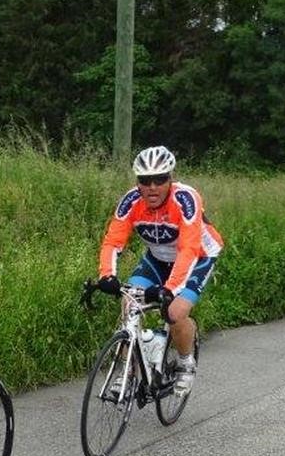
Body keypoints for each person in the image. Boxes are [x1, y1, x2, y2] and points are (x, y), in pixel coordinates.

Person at [95, 145, 224, 395]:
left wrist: (170, 289)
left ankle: (185, 362)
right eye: (145, 180)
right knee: (129, 303)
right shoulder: (131, 201)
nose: (152, 187)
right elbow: (113, 241)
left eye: (160, 179)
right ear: (138, 182)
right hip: (157, 257)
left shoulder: (186, 199)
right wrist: (107, 275)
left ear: (170, 179)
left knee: (174, 312)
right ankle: (129, 371)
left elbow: (188, 249)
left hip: (199, 256)